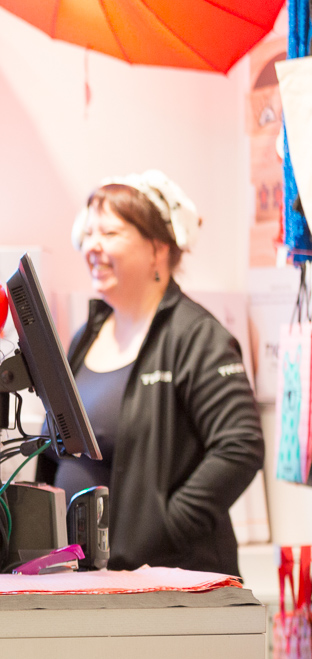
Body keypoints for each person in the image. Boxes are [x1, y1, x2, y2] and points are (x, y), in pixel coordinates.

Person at [39, 170, 264, 574]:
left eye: (109, 233)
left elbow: (240, 447)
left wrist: (166, 528)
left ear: (157, 249)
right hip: (87, 578)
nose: (92, 246)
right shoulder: (86, 336)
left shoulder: (196, 336)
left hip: (170, 578)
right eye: (88, 234)